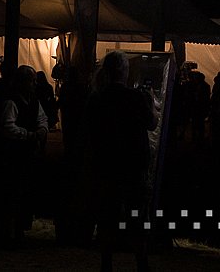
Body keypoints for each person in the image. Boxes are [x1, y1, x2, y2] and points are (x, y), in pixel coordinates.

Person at [83, 50, 156, 272]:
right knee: (136, 215)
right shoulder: (135, 97)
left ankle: (106, 263)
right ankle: (141, 263)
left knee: (108, 216)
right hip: (133, 167)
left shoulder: (96, 98)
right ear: (125, 71)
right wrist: (150, 101)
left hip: (106, 166)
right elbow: (152, 123)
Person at [0, 65, 49, 246]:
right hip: (13, 154)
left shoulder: (33, 101)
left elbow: (42, 119)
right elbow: (8, 127)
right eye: (31, 81)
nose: (34, 84)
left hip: (26, 153)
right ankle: (10, 231)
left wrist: (41, 130)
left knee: (23, 193)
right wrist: (29, 135)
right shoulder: (12, 102)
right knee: (13, 193)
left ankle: (18, 229)